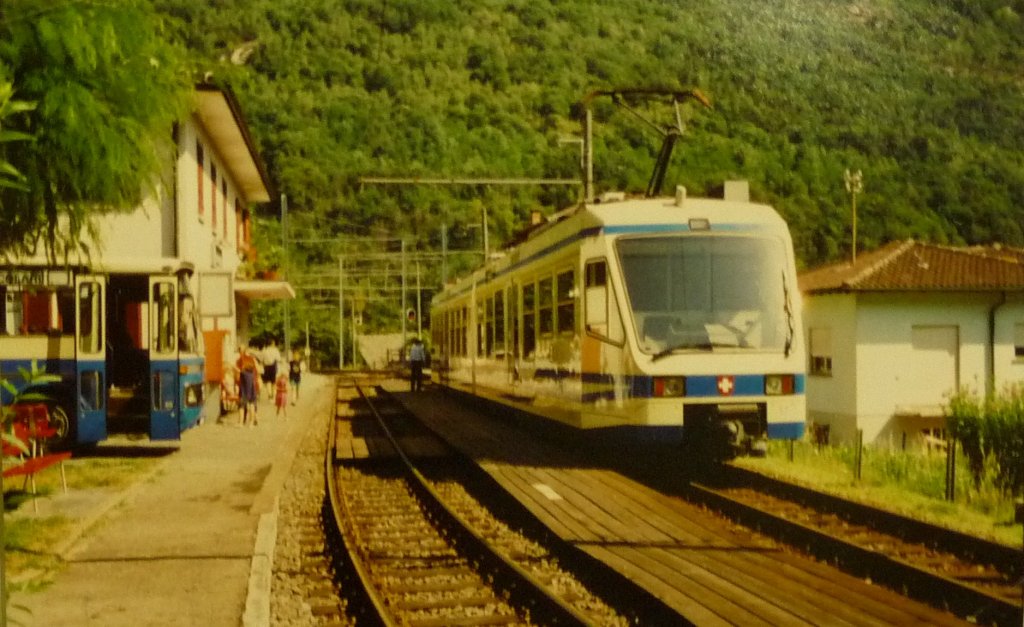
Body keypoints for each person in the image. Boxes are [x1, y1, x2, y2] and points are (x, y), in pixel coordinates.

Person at [236, 345, 259, 426]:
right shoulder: (252, 359)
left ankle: (241, 422)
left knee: (241, 404)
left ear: (240, 351)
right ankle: (251, 422)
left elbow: (238, 373)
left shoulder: (240, 360)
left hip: (244, 385)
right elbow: (258, 370)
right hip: (253, 383)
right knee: (252, 403)